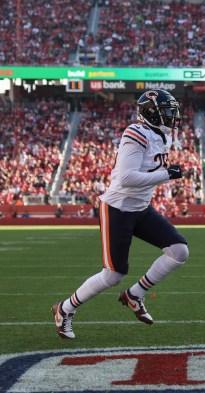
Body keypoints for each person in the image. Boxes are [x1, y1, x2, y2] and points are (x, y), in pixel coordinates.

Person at [52, 89, 189, 339]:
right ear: (151, 113)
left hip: (141, 208)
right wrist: (167, 174)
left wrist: (164, 174)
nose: (173, 117)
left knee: (179, 251)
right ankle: (64, 308)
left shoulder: (163, 137)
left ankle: (135, 294)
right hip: (118, 208)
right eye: (168, 112)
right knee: (113, 275)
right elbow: (126, 178)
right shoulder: (135, 133)